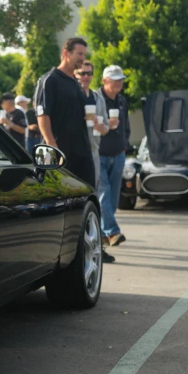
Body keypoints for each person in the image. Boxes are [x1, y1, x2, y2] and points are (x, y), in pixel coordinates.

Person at [34, 37, 95, 187]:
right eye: (79, 54)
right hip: (54, 151)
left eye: (84, 55)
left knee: (87, 195)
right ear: (66, 53)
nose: (82, 58)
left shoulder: (76, 83)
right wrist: (52, 147)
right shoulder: (49, 80)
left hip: (81, 152)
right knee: (51, 197)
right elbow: (42, 114)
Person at [75, 61, 114, 263]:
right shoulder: (73, 94)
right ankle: (78, 246)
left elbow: (106, 128)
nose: (86, 76)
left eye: (89, 73)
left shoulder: (98, 98)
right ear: (76, 73)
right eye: (82, 73)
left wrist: (100, 125)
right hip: (74, 152)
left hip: (93, 152)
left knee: (95, 197)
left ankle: (96, 244)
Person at [96, 65, 130, 248]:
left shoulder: (122, 101)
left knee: (113, 199)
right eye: (115, 78)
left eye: (121, 79)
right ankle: (113, 232)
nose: (119, 82)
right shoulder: (95, 99)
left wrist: (125, 147)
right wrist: (106, 125)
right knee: (103, 194)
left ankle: (102, 233)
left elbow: (126, 127)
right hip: (99, 154)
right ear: (104, 80)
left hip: (118, 154)